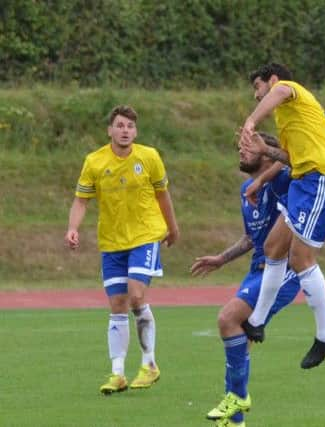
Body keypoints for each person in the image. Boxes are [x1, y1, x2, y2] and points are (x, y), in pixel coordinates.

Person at [239, 63, 325, 369]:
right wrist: (262, 170)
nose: (256, 94)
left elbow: (281, 90)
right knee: (273, 247)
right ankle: (257, 321)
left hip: (323, 179)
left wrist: (251, 121)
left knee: (301, 259)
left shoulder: (291, 91)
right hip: (306, 181)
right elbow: (290, 158)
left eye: (257, 87)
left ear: (272, 80)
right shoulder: (289, 118)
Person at [65, 105, 179, 394]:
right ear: (110, 130)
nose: (125, 130)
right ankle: (117, 373)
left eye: (130, 126)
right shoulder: (94, 161)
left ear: (135, 131)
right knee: (117, 305)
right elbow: (81, 200)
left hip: (144, 236)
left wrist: (172, 227)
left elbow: (162, 194)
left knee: (136, 294)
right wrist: (73, 228)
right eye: (120, 125)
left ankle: (149, 364)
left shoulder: (149, 157)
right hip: (112, 242)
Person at [191, 132, 300, 427]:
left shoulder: (285, 180)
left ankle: (237, 399)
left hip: (284, 270)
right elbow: (250, 237)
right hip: (257, 269)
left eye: (247, 148)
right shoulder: (245, 190)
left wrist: (275, 158)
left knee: (227, 320)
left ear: (267, 153)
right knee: (242, 341)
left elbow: (295, 157)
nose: (240, 153)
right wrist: (221, 259)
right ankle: (235, 419)